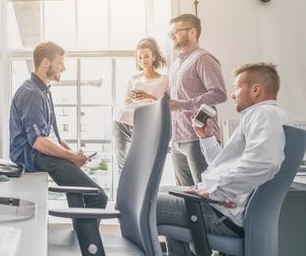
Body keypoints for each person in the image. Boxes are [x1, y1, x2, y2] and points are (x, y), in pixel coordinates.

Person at [157, 62, 290, 255]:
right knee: (162, 190)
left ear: (256, 90)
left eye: (237, 87)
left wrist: (214, 192)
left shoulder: (264, 114)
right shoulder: (260, 116)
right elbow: (224, 167)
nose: (233, 94)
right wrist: (207, 138)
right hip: (222, 206)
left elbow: (264, 162)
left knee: (147, 204)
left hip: (222, 213)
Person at [9, 41, 108, 209]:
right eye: (60, 63)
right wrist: (72, 157)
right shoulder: (31, 93)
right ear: (46, 63)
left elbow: (52, 136)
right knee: (98, 197)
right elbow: (38, 141)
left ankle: (80, 235)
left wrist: (71, 153)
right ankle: (86, 236)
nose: (64, 68)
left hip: (41, 154)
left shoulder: (43, 91)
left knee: (79, 193)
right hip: (33, 155)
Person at [168, 14, 227, 186]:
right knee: (184, 195)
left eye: (175, 31)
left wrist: (181, 105)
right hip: (177, 141)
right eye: (169, 33)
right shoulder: (175, 65)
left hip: (198, 138)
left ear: (192, 32)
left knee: (205, 193)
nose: (171, 36)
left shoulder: (203, 58)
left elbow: (219, 93)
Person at [114, 37, 168, 175]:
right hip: (123, 122)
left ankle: (142, 196)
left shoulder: (164, 80)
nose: (143, 60)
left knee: (145, 166)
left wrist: (147, 96)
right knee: (124, 166)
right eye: (140, 58)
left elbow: (166, 106)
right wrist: (132, 98)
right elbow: (126, 102)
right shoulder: (134, 79)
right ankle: (123, 197)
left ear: (153, 57)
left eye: (146, 56)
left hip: (146, 124)